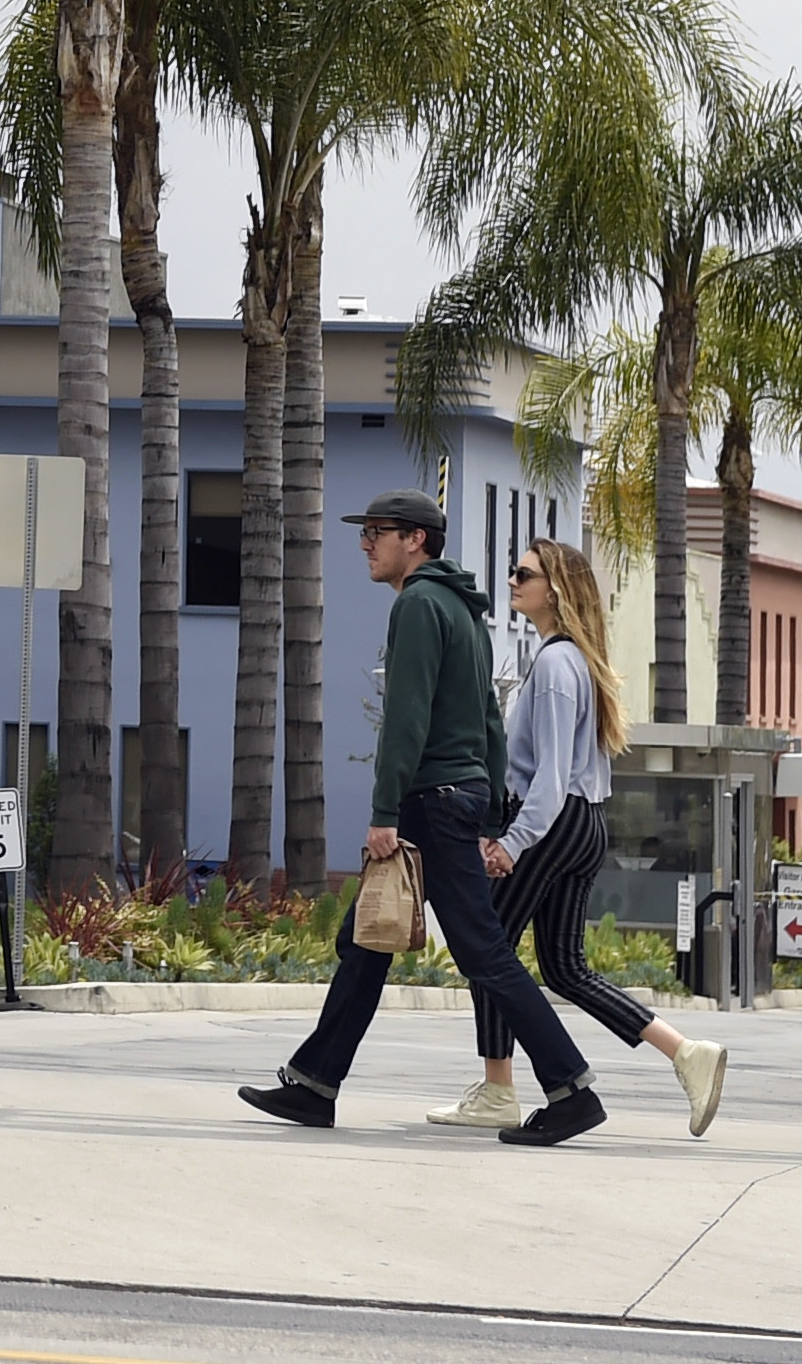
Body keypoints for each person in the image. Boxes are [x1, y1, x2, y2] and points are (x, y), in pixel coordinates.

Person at [238, 491, 603, 1146]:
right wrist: (489, 811)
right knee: (365, 944)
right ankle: (313, 1085)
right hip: (457, 796)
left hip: (428, 803)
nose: (364, 544)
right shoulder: (464, 612)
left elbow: (406, 719)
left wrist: (385, 813)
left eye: (376, 532)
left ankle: (570, 1088)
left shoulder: (418, 606)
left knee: (484, 953)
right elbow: (490, 721)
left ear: (416, 540)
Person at [431, 540, 728, 1136]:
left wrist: (512, 842)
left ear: (556, 589)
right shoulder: (573, 661)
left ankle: (499, 1089)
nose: (512, 579)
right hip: (584, 823)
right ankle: (687, 1054)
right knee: (564, 968)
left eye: (524, 573)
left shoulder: (556, 666)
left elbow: (550, 778)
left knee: (486, 952)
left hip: (553, 821)